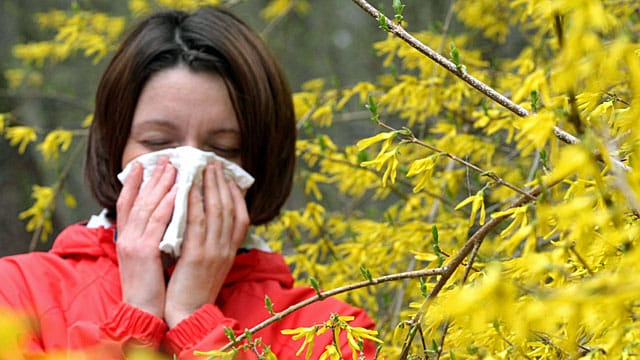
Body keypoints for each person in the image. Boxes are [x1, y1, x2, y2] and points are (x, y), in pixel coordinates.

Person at [0, 6, 376, 359]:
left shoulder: (331, 331)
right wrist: (136, 318)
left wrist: (195, 319)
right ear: (115, 147)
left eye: (223, 148)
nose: (189, 167)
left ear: (260, 161)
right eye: (157, 143)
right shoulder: (17, 293)